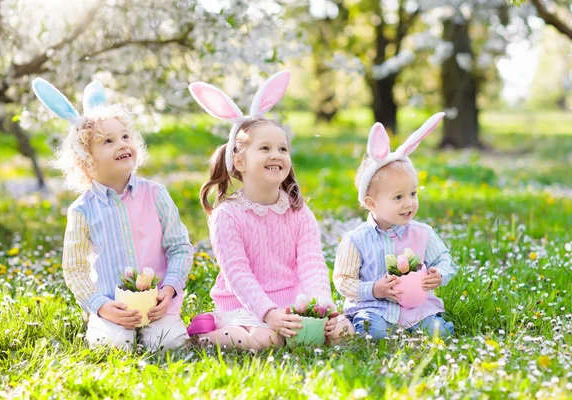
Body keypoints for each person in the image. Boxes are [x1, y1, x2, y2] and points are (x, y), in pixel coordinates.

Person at [187, 70, 353, 350]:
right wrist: (269, 314)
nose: (276, 155)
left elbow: (311, 264)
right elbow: (238, 275)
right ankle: (208, 335)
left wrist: (323, 308)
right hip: (248, 305)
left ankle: (305, 325)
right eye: (264, 148)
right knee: (269, 339)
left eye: (283, 149)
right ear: (239, 161)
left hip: (293, 303)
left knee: (343, 331)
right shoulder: (227, 215)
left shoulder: (298, 211)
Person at [32, 78, 193, 350]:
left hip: (157, 304)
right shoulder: (82, 210)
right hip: (112, 305)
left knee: (170, 344)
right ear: (86, 160)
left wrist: (169, 289)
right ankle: (104, 325)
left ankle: (159, 328)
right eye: (108, 141)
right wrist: (102, 306)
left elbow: (179, 247)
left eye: (125, 137)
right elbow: (74, 268)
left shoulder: (156, 195)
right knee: (113, 346)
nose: (122, 144)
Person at [333, 113, 457, 339]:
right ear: (372, 204)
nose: (409, 203)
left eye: (412, 193)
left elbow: (444, 260)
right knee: (374, 333)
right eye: (398, 197)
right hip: (375, 308)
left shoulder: (422, 233)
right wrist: (373, 289)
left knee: (438, 333)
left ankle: (430, 328)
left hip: (417, 309)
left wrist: (439, 274)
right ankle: (360, 329)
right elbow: (343, 280)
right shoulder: (356, 239)